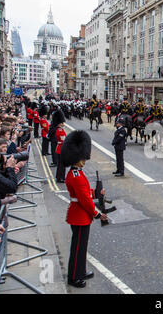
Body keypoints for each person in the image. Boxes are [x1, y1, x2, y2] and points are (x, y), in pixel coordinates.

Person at [60, 130, 108, 288]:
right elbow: (84, 200)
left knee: (81, 247)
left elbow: (85, 193)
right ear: (77, 158)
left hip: (79, 214)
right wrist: (97, 213)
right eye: (82, 158)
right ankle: (74, 277)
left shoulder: (76, 173)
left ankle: (81, 271)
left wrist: (96, 192)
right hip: (80, 215)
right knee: (78, 248)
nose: (84, 161)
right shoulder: (76, 176)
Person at [53, 110, 67, 183]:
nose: (62, 124)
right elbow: (63, 139)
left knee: (62, 165)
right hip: (60, 149)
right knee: (61, 165)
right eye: (61, 123)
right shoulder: (59, 131)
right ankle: (60, 177)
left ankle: (61, 176)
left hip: (61, 148)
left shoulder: (61, 130)